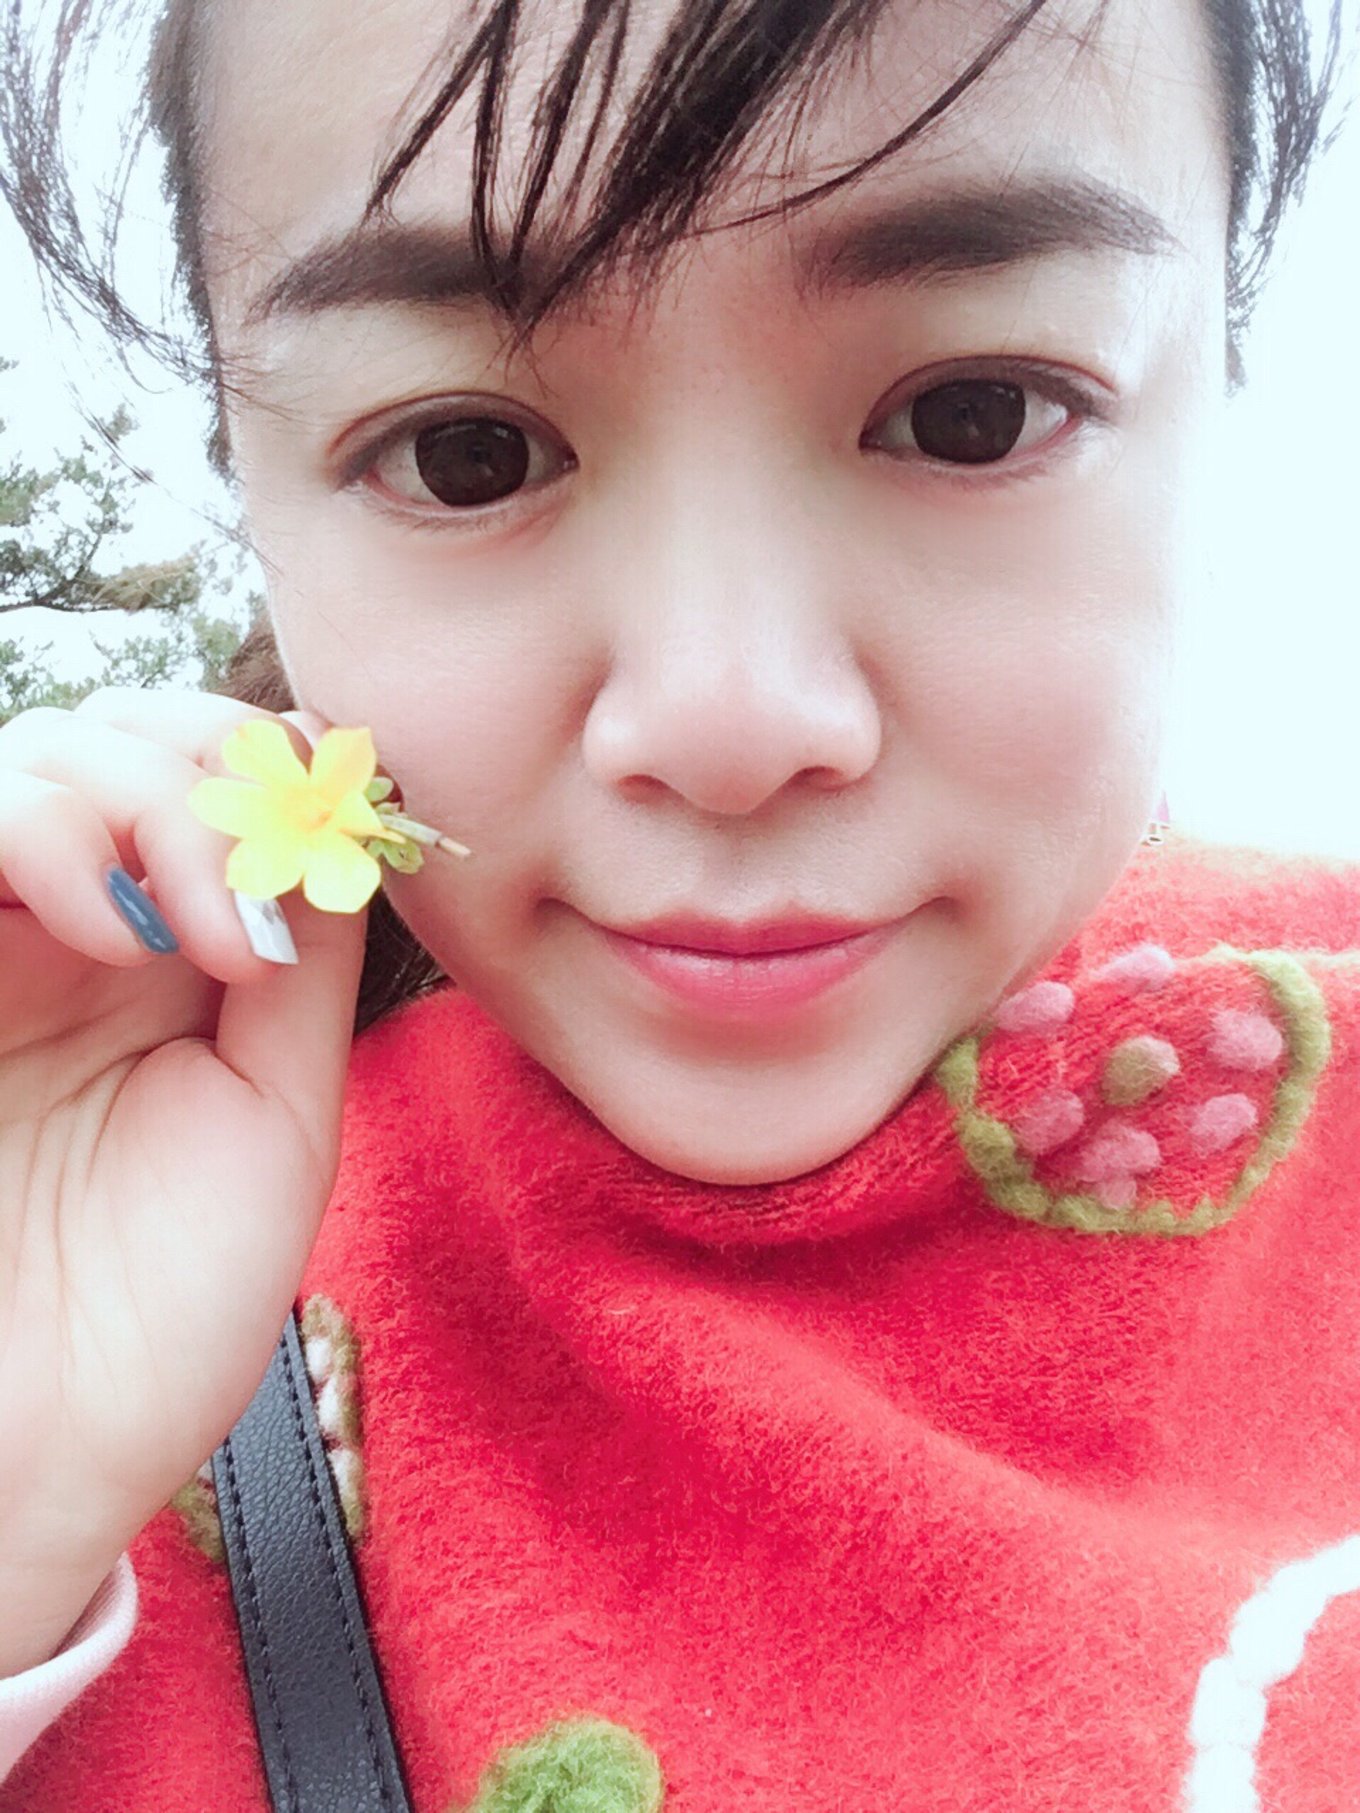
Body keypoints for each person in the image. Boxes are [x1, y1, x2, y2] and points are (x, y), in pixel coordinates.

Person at [0, 0, 1356, 1805]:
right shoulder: (117, 1279)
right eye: (467, 454)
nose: (729, 721)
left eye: (970, 414)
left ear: (1223, 396)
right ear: (251, 482)